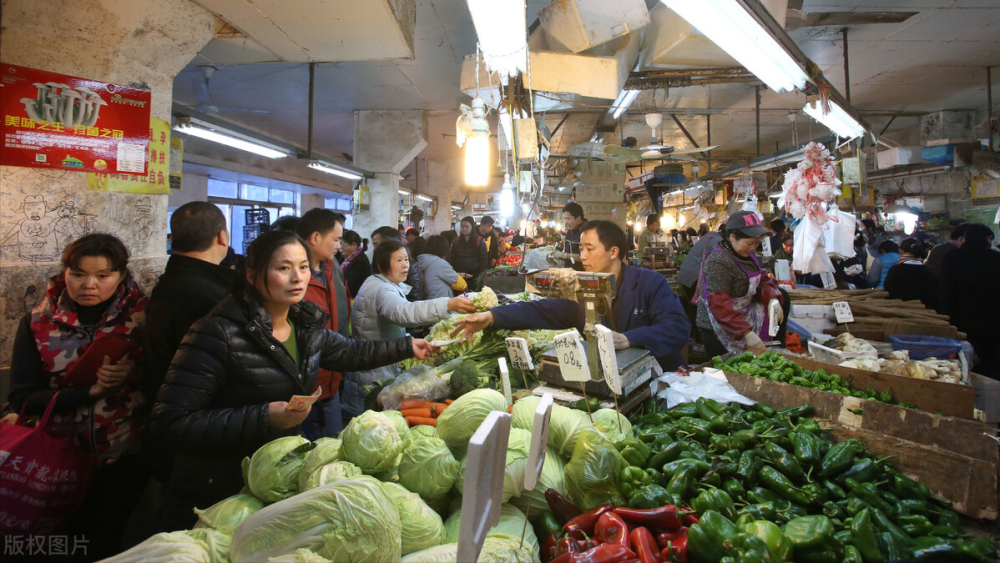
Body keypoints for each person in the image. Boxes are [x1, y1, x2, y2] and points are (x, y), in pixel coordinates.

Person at [151, 230, 433, 530]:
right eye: (283, 268)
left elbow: (349, 352)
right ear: (252, 275)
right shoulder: (216, 333)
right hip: (215, 494)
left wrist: (406, 346)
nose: (298, 277)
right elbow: (170, 422)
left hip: (273, 482)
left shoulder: (303, 326)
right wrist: (264, 416)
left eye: (302, 267)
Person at [9, 233, 149, 559]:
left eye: (103, 276)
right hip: (56, 461)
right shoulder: (36, 324)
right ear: (64, 273)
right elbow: (23, 399)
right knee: (59, 545)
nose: (89, 285)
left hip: (122, 457)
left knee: (108, 542)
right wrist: (90, 392)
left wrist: (135, 374)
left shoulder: (144, 318)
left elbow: (168, 381)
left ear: (121, 275)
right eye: (78, 274)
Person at [453, 220, 691, 370]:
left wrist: (629, 338)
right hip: (610, 384)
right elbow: (541, 309)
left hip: (658, 381)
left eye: (589, 249)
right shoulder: (583, 287)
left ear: (613, 252)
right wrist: (491, 316)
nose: (583, 257)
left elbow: (678, 327)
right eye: (580, 249)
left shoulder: (650, 283)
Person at [140, 203, 235, 533]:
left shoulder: (168, 284)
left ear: (172, 238)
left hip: (162, 420)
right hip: (203, 434)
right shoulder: (214, 296)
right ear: (222, 236)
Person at [344, 240, 476, 416]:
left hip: (377, 367)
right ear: (381, 264)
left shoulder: (381, 284)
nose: (405, 265)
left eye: (406, 259)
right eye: (399, 261)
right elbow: (403, 312)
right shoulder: (381, 289)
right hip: (370, 379)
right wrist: (448, 304)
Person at [696, 211, 788, 358]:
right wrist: (746, 333)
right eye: (750, 243)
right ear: (733, 237)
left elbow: (762, 279)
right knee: (730, 370)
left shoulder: (746, 254)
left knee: (784, 295)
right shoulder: (718, 261)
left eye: (756, 243)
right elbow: (720, 306)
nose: (753, 248)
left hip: (741, 318)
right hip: (717, 326)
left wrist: (772, 298)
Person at [296, 209, 351, 439]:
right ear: (315, 238)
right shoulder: (296, 278)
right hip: (303, 384)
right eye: (336, 240)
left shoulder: (331, 268)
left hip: (331, 374)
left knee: (334, 443)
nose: (339, 246)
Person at [940, 224, 1000, 379]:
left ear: (965, 239)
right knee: (991, 361)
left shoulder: (951, 258)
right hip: (992, 319)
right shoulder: (996, 258)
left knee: (962, 361)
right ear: (987, 239)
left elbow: (945, 289)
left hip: (960, 318)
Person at [372, 225, 423, 301]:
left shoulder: (412, 267)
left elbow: (414, 298)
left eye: (376, 245)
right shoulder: (376, 263)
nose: (373, 250)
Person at [884, 238, 937, 310]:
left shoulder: (895, 270)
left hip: (900, 313)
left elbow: (888, 293)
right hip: (925, 314)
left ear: (901, 251)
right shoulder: (930, 271)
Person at [418, 235, 468, 299]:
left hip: (427, 302)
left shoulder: (422, 261)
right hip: (441, 303)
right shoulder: (439, 263)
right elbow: (460, 285)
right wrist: (458, 276)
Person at [449, 216, 488, 280]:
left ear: (472, 227)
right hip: (459, 275)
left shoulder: (479, 241)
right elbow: (451, 258)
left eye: (467, 227)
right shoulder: (456, 240)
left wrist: (482, 277)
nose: (464, 229)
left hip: (474, 276)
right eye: (462, 226)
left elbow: (484, 261)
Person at [340, 229, 371, 298]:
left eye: (343, 247)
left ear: (354, 245)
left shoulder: (360, 262)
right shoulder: (346, 258)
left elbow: (351, 288)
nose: (340, 250)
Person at [560, 202, 587, 271]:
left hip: (582, 274)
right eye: (565, 219)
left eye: (568, 219)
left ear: (578, 218)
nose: (566, 222)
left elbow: (588, 257)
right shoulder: (570, 232)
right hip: (569, 273)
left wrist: (566, 255)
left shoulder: (587, 231)